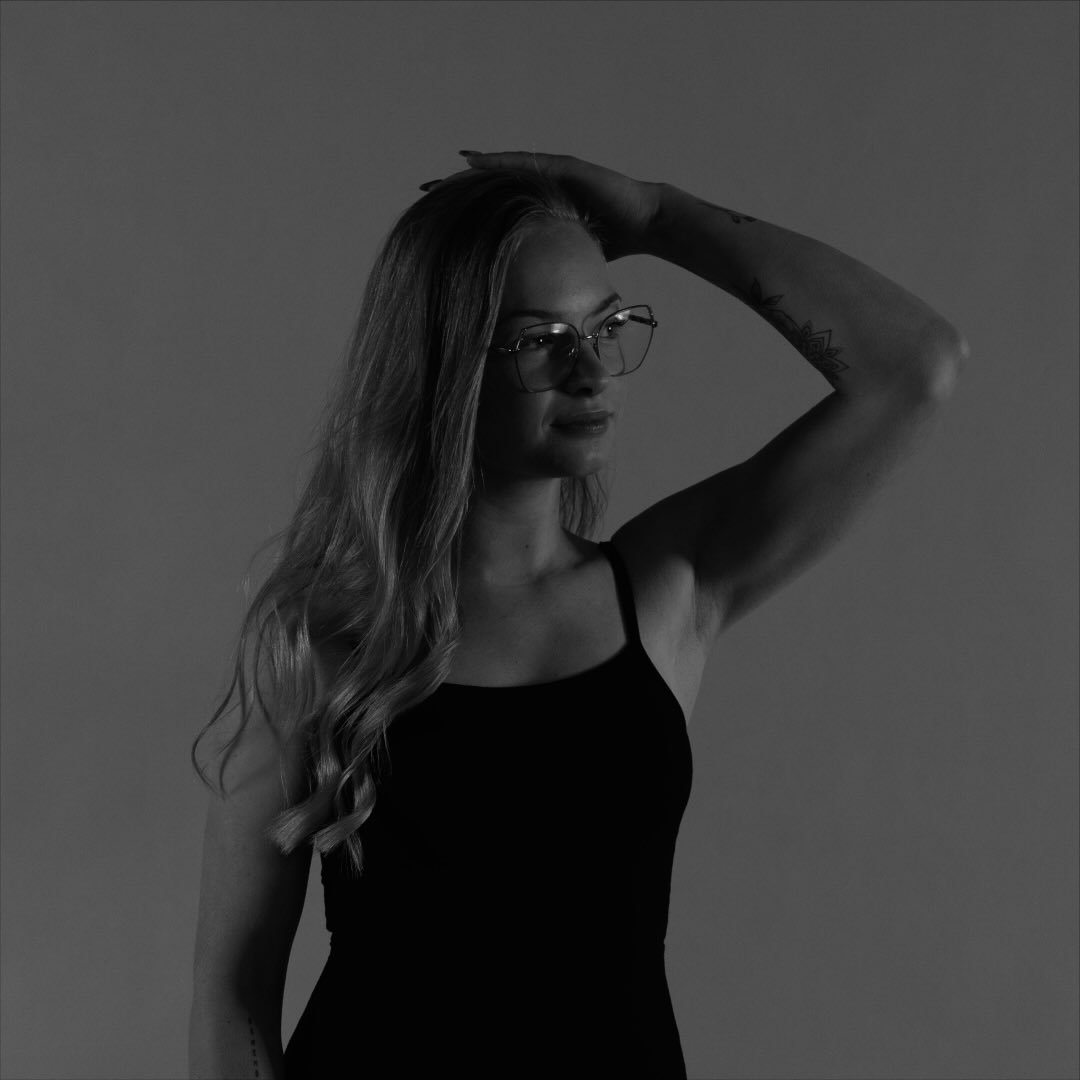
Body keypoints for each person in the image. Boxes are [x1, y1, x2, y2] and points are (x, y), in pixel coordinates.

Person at [188, 150, 967, 1079]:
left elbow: (912, 367)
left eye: (607, 326)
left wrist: (659, 217)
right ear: (442, 366)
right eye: (541, 340)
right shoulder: (323, 639)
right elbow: (233, 993)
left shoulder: (669, 586)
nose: (592, 371)